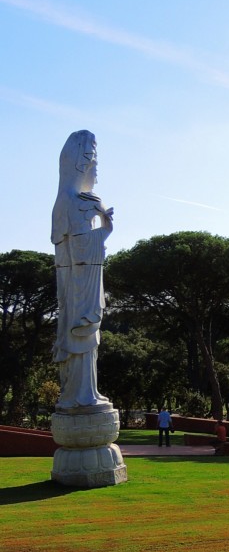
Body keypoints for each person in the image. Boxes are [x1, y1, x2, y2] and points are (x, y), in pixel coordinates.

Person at [51, 130, 114, 411]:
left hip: (84, 282)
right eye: (93, 161)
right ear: (81, 163)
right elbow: (76, 246)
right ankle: (79, 395)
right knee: (80, 336)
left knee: (89, 343)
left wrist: (102, 228)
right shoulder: (72, 201)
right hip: (78, 288)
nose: (96, 168)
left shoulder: (80, 200)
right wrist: (102, 230)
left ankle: (89, 392)